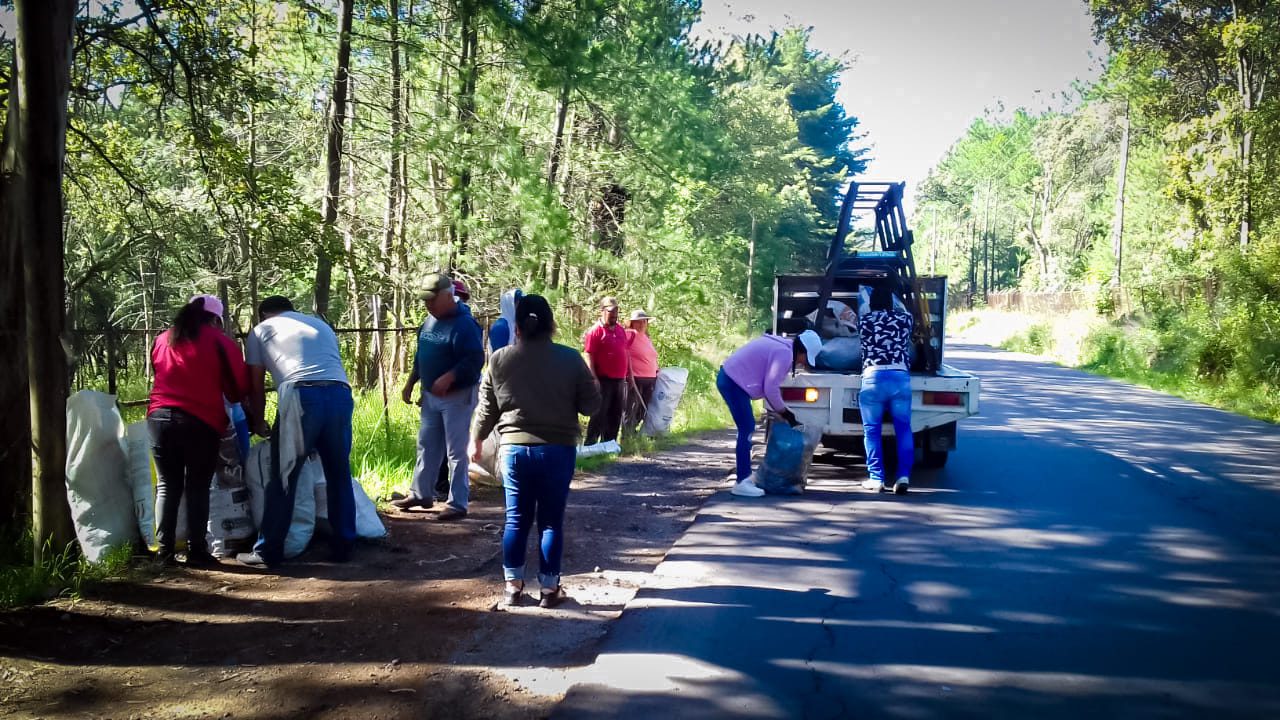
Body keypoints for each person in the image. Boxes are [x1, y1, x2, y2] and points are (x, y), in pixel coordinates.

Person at [470, 294, 602, 608]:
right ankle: (549, 589)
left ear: (517, 326)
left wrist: (476, 440)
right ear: (550, 324)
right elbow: (590, 406)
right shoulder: (570, 359)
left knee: (516, 520)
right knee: (551, 521)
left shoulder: (499, 359)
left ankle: (512, 588)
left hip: (514, 450)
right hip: (558, 449)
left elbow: (487, 409)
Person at [236, 295, 357, 568]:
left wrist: (257, 421)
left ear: (264, 314)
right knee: (338, 473)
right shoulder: (320, 325)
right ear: (291, 310)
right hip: (339, 393)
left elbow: (255, 385)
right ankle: (345, 544)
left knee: (284, 476)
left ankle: (268, 551)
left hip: (301, 395)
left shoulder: (261, 330)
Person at [148, 294, 251, 566]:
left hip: (159, 419)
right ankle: (197, 551)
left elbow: (158, 372)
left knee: (167, 485)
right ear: (215, 319)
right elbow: (237, 388)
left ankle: (164, 552)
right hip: (199, 421)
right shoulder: (220, 342)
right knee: (197, 486)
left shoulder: (162, 339)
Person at [394, 273, 484, 520]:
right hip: (431, 396)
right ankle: (421, 493)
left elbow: (475, 360)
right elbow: (421, 355)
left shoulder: (465, 325)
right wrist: (411, 382)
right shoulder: (429, 321)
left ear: (447, 296)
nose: (428, 305)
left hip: (457, 396)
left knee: (455, 451)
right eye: (425, 301)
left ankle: (457, 503)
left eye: (432, 300)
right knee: (426, 445)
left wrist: (450, 377)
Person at [717, 329, 823, 497]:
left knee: (747, 427)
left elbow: (765, 381)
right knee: (747, 428)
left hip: (730, 379)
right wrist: (785, 413)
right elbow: (771, 388)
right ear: (801, 350)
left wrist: (777, 410)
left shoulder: (782, 347)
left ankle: (744, 478)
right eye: (805, 359)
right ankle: (742, 481)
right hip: (732, 382)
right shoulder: (784, 354)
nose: (803, 363)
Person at [859, 283, 915, 495]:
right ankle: (903, 476)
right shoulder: (905, 320)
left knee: (872, 431)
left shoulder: (864, 321)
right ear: (891, 302)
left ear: (871, 304)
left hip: (873, 377)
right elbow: (906, 313)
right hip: (899, 378)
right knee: (903, 428)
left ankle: (876, 478)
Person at [582, 296, 628, 446]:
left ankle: (609, 444)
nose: (614, 314)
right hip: (603, 379)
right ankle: (590, 444)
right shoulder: (595, 331)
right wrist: (593, 377)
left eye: (616, 311)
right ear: (602, 311)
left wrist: (630, 375)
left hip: (619, 379)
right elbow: (588, 353)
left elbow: (625, 352)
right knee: (600, 413)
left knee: (615, 413)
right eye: (611, 311)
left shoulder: (621, 330)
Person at [623, 309, 659, 434]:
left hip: (650, 378)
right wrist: (629, 373)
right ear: (632, 323)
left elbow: (652, 356)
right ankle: (627, 436)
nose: (642, 323)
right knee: (631, 408)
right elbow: (623, 352)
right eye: (638, 321)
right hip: (635, 378)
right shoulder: (629, 334)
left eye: (644, 321)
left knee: (643, 409)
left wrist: (657, 370)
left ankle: (633, 433)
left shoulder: (646, 337)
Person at [487, 288, 523, 355]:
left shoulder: (516, 324)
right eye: (518, 303)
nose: (522, 307)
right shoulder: (500, 327)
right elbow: (498, 358)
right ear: (509, 304)